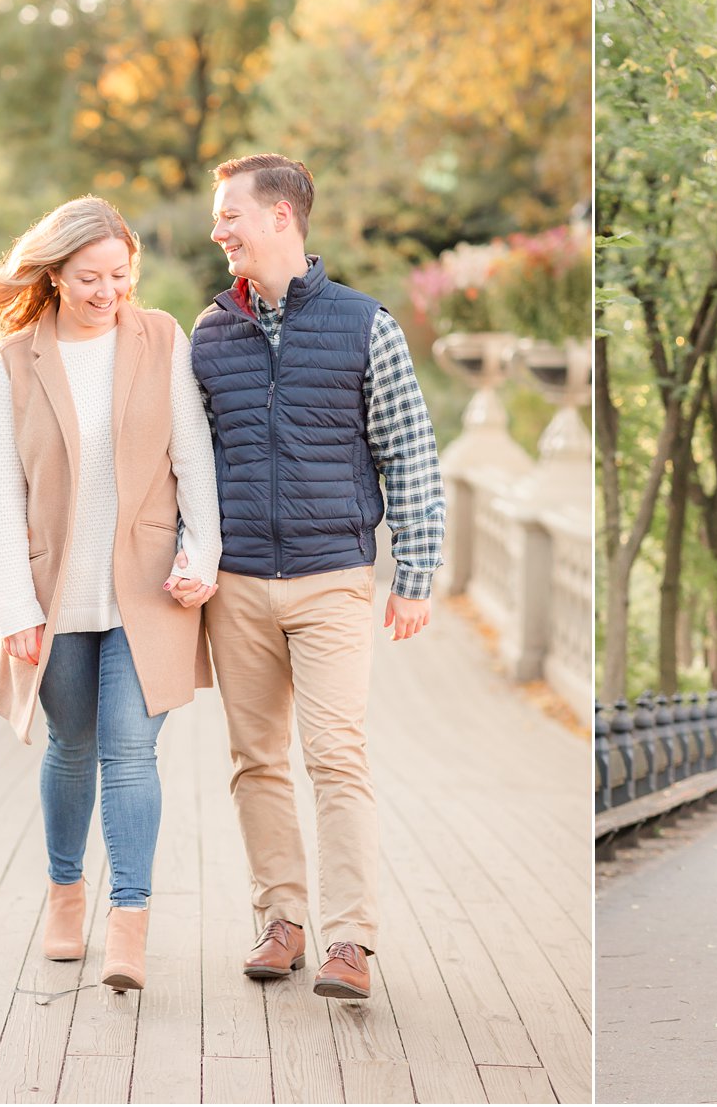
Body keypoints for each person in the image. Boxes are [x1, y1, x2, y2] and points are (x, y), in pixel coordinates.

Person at [177, 153, 445, 1000]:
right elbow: (185, 461)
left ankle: (352, 940)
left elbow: (410, 454)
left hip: (334, 578)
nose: (219, 230)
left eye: (231, 215)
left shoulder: (367, 325)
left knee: (336, 755)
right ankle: (282, 921)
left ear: (281, 218)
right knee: (256, 759)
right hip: (240, 585)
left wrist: (416, 572)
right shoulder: (209, 332)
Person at [0, 196, 222, 993]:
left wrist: (202, 553)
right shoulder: (13, 360)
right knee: (71, 747)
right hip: (53, 597)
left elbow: (195, 460)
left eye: (120, 274)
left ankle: (131, 924)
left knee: (131, 751)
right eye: (89, 277)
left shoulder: (160, 339)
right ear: (54, 274)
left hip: (147, 591)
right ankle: (66, 894)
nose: (108, 290)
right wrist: (16, 606)